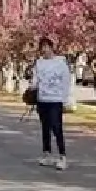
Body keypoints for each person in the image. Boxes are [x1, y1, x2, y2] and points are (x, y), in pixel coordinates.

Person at [31, 38, 72, 170]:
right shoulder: (39, 63)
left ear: (51, 47)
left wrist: (65, 99)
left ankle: (62, 156)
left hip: (55, 100)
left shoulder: (60, 63)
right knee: (45, 128)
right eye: (42, 47)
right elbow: (36, 79)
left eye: (47, 47)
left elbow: (66, 81)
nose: (44, 50)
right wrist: (32, 87)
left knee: (56, 128)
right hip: (42, 99)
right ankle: (46, 153)